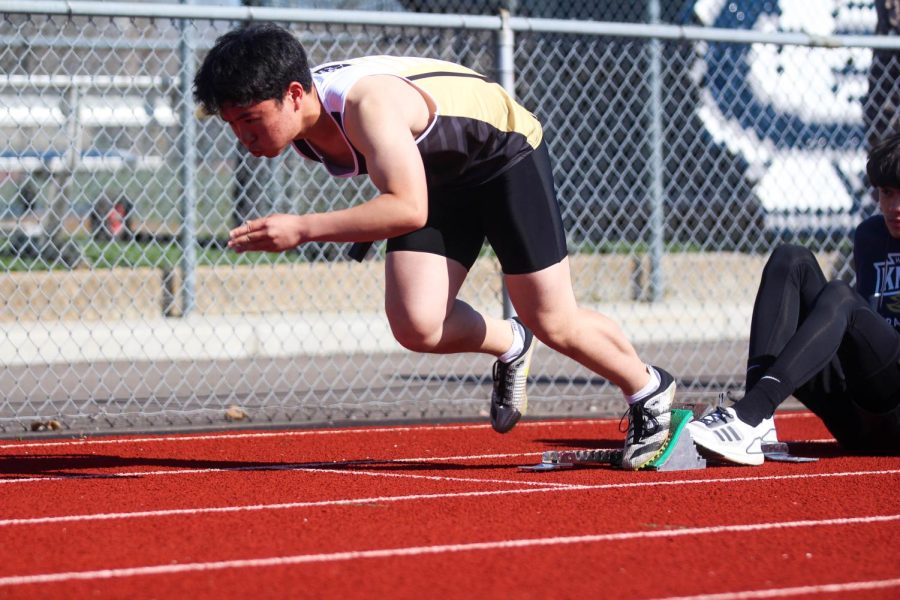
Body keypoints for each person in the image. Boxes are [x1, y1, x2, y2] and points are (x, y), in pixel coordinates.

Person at [193, 23, 677, 469]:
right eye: (233, 124)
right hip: (437, 177)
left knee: (553, 318)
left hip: (503, 156)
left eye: (251, 120)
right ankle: (509, 341)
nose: (243, 137)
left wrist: (304, 228)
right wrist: (359, 223)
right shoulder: (306, 122)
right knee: (417, 325)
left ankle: (648, 388)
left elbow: (406, 207)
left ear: (294, 94)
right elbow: (402, 183)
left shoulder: (366, 106)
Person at [687, 132, 900, 465]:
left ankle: (750, 412)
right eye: (886, 193)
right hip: (859, 415)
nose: (893, 207)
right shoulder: (870, 235)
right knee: (791, 259)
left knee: (840, 294)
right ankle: (757, 420)